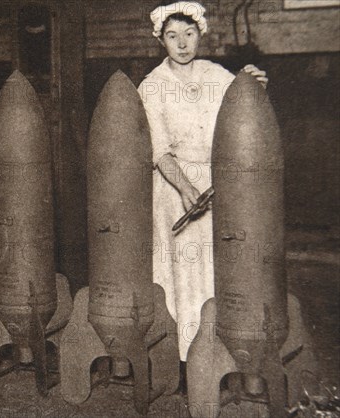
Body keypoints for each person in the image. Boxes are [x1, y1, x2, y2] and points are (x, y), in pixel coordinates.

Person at [138, 1, 268, 392]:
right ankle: (185, 366)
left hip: (219, 187)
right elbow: (158, 150)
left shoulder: (216, 75)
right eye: (173, 36)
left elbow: (242, 109)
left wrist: (255, 85)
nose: (182, 43)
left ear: (201, 34)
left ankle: (222, 356)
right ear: (161, 39)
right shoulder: (152, 85)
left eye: (189, 34)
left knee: (217, 273)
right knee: (182, 276)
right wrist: (187, 188)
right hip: (175, 188)